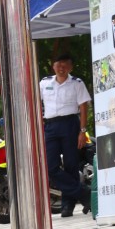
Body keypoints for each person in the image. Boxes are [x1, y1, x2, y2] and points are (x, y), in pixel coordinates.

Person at [39, 53, 93, 218]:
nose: (61, 68)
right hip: (50, 125)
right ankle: (85, 195)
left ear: (70, 67)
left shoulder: (76, 83)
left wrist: (82, 132)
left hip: (70, 124)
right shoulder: (44, 83)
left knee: (71, 165)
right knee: (50, 167)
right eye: (58, 65)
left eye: (65, 65)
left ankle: (67, 206)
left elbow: (83, 108)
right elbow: (36, 103)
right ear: (53, 66)